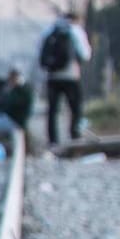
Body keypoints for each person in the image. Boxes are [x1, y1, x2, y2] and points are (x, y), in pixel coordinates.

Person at [38, 11, 92, 147]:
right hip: (71, 76)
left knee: (52, 110)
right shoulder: (76, 31)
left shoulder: (50, 31)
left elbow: (40, 54)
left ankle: (52, 140)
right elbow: (85, 55)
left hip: (52, 77)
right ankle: (74, 136)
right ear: (76, 19)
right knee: (75, 108)